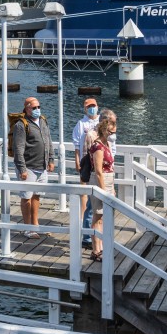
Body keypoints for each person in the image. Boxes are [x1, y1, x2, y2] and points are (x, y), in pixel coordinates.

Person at [11, 96, 55, 237]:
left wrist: (51, 159)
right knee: (26, 197)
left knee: (37, 196)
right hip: (28, 167)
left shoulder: (43, 121)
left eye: (38, 107)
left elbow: (49, 141)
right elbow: (18, 148)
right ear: (27, 108)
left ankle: (35, 224)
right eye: (34, 107)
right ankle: (28, 227)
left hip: (41, 166)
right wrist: (22, 169)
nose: (37, 110)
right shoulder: (21, 124)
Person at [86, 109, 118, 260]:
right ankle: (96, 250)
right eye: (112, 126)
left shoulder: (107, 144)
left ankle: (102, 247)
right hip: (100, 181)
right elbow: (98, 171)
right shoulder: (98, 146)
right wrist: (105, 191)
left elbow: (110, 167)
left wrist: (113, 188)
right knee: (97, 215)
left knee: (104, 216)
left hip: (108, 180)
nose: (113, 130)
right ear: (105, 126)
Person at [71, 97, 100, 247]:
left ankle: (93, 227)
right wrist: (77, 160)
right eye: (89, 107)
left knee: (97, 196)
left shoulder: (102, 121)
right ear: (85, 109)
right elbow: (77, 143)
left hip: (99, 162)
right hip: (86, 162)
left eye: (93, 106)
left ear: (97, 106)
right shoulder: (81, 124)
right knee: (84, 192)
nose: (91, 108)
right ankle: (84, 221)